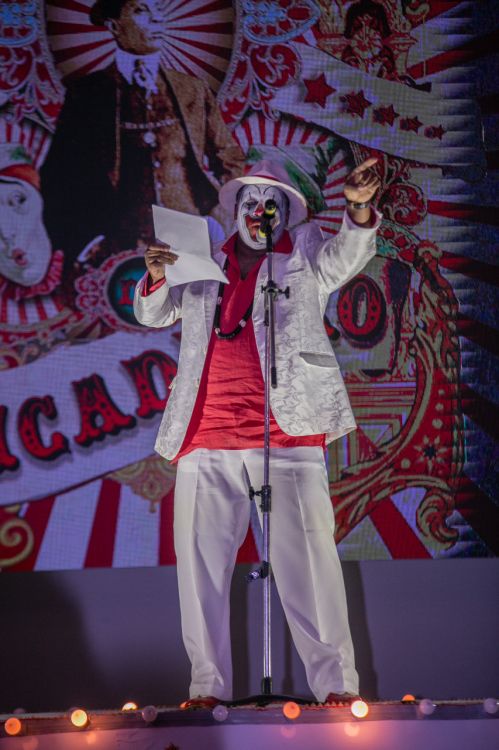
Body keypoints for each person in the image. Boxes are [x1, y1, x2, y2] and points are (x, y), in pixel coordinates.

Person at [133, 158, 381, 707]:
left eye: (271, 204)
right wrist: (156, 276)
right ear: (236, 209)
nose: (259, 212)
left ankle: (336, 685)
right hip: (206, 433)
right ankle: (206, 687)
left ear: (286, 213)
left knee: (308, 561)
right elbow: (155, 315)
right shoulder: (200, 260)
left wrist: (359, 209)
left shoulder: (304, 253)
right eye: (251, 202)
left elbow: (347, 257)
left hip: (285, 433)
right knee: (200, 568)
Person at [40, 0, 244, 274]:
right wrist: (86, 240)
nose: (159, 18)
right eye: (141, 10)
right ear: (114, 26)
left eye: (158, 8)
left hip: (192, 245)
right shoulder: (86, 95)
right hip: (117, 251)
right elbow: (57, 176)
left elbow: (229, 157)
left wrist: (219, 216)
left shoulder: (193, 90)